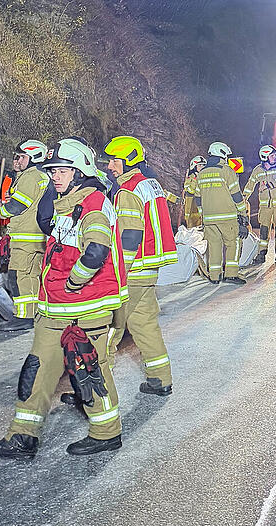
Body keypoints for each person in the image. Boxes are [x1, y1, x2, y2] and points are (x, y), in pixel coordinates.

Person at [0, 139, 128, 459]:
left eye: (62, 170)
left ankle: (106, 432)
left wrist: (74, 283)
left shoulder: (92, 203)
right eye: (53, 170)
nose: (55, 176)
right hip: (55, 308)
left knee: (88, 369)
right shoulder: (63, 202)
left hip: (84, 309)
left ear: (80, 171)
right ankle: (22, 437)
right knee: (37, 368)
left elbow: (97, 250)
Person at [103, 136, 178, 397]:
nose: (110, 167)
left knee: (107, 329)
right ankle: (160, 379)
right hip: (148, 270)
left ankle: (94, 391)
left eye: (115, 161)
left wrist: (117, 273)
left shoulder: (127, 191)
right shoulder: (151, 184)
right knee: (145, 325)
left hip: (132, 270)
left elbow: (131, 235)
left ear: (129, 160)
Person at [0, 139, 50, 331]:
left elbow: (17, 206)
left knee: (18, 276)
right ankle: (35, 312)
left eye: (21, 157)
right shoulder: (43, 176)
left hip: (25, 237)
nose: (16, 160)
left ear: (33, 157)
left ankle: (24, 316)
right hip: (38, 237)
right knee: (32, 276)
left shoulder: (29, 177)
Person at [187, 142, 248, 284]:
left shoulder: (201, 174)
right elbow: (236, 195)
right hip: (227, 217)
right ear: (222, 155)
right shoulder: (226, 171)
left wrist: (204, 215)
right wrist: (243, 212)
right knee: (233, 243)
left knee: (214, 246)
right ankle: (231, 274)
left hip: (209, 219)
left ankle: (215, 276)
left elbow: (198, 198)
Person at [243, 145, 276, 264]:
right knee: (264, 231)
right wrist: (243, 198)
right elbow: (250, 185)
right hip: (265, 206)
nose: (274, 157)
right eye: (272, 155)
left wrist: (269, 185)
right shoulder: (258, 170)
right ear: (265, 157)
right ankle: (261, 254)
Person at [183, 155, 205, 228]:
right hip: (192, 206)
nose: (202, 167)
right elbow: (190, 190)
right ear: (194, 166)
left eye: (203, 165)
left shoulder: (205, 176)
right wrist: (196, 180)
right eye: (200, 165)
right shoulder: (191, 177)